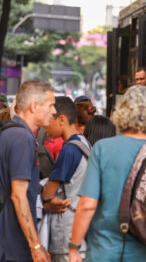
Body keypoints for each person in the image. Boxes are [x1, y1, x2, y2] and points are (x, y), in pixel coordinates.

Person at [69, 86, 146, 262]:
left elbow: (87, 205)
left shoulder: (103, 149)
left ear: (121, 113)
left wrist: (74, 247)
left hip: (106, 252)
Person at [0, 80, 61, 262]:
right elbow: (18, 196)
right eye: (51, 105)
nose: (54, 112)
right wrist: (35, 245)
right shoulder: (21, 138)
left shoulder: (12, 134)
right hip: (12, 245)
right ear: (34, 106)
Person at [42, 96, 91, 262]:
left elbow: (48, 193)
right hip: (79, 229)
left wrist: (46, 200)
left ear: (61, 120)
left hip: (65, 234)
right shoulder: (83, 142)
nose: (45, 124)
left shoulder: (69, 150)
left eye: (49, 118)